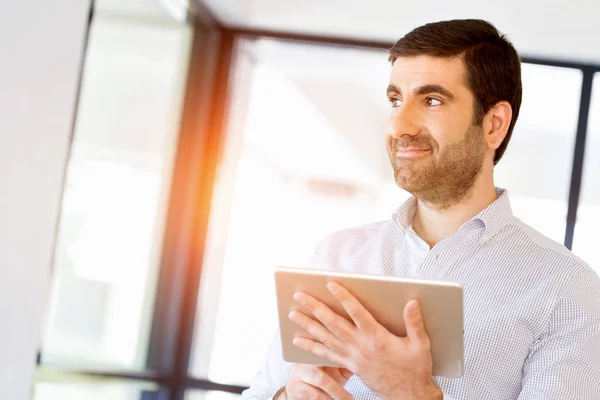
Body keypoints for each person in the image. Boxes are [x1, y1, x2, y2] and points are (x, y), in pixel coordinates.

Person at [241, 19, 600, 400]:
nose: (399, 124)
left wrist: (412, 393)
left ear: (494, 124)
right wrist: (288, 397)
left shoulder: (567, 291)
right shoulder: (336, 255)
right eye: (396, 100)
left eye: (432, 101)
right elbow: (261, 393)